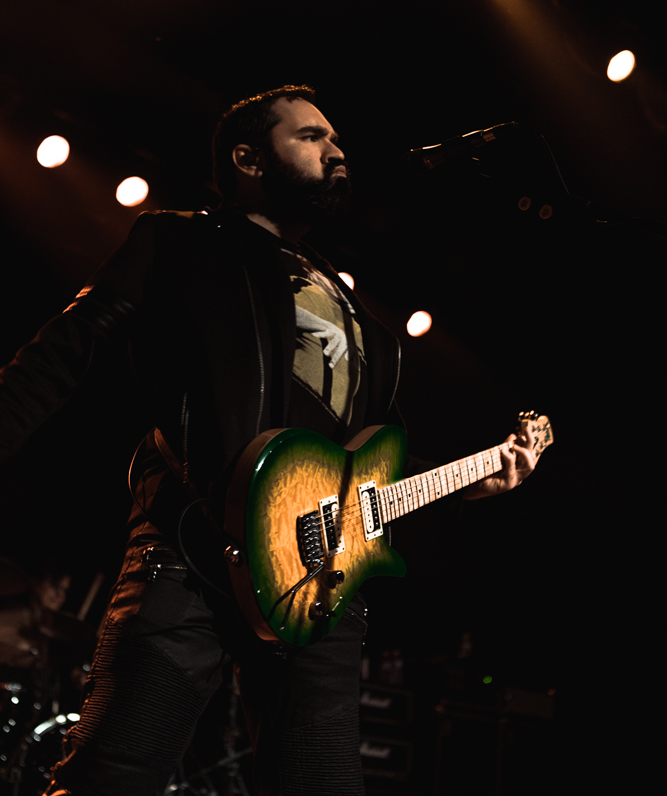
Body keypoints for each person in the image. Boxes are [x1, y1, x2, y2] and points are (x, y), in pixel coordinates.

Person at [0, 85, 537, 796]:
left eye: (336, 138)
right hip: (191, 548)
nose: (335, 149)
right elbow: (62, 353)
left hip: (319, 580)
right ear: (249, 159)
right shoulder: (181, 244)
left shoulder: (366, 323)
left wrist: (471, 477)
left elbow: (365, 462)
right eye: (311, 136)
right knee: (112, 777)